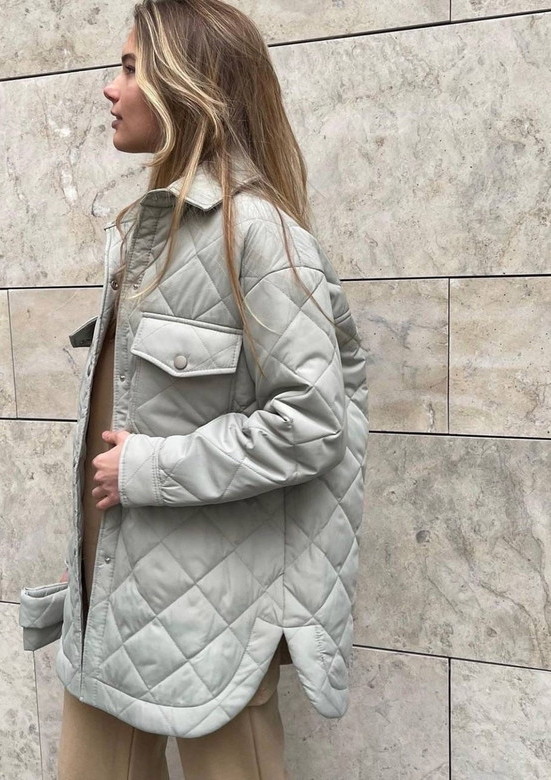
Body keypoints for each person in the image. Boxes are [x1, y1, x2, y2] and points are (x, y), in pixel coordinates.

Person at [55, 1, 369, 778]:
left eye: (131, 69)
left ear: (183, 87)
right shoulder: (147, 231)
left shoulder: (257, 236)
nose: (111, 88)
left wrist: (149, 467)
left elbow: (310, 422)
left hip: (214, 628)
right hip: (109, 609)